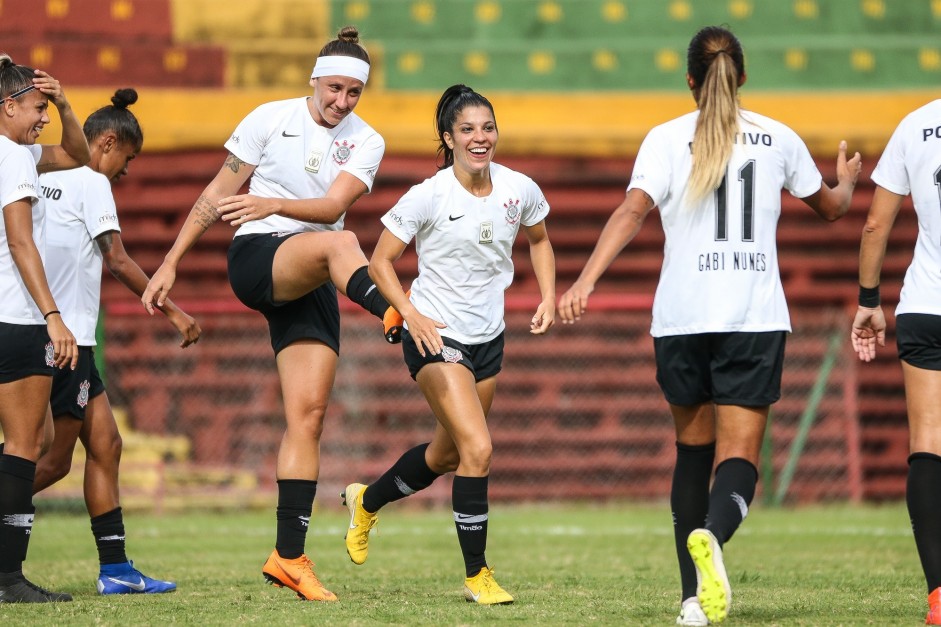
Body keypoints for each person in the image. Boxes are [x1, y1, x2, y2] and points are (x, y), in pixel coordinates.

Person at [557, 26, 861, 625]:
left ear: (690, 80)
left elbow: (631, 211)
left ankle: (691, 601)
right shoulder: (777, 137)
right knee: (740, 459)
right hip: (751, 317)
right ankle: (715, 538)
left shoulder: (665, 139)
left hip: (682, 319)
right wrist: (848, 180)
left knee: (691, 455)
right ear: (742, 77)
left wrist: (585, 281)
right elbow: (832, 208)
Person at [141, 26, 400, 603]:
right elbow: (216, 193)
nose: (342, 102)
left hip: (312, 274)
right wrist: (171, 262)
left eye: (353, 94)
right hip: (259, 257)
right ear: (314, 79)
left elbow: (332, 205)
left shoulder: (367, 140)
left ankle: (289, 557)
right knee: (342, 243)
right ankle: (393, 314)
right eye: (334, 89)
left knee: (307, 418)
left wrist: (274, 199)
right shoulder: (268, 117)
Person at [343, 83, 556, 605]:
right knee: (478, 449)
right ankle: (477, 575)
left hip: (489, 338)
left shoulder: (519, 189)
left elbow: (541, 240)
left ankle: (366, 501)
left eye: (487, 127)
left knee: (445, 455)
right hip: (436, 336)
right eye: (468, 129)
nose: (479, 137)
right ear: (449, 138)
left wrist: (549, 295)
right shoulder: (429, 194)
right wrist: (410, 313)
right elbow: (379, 262)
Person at [33, 88, 200, 595]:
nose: (124, 173)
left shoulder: (41, 175)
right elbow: (119, 259)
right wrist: (172, 311)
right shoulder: (91, 181)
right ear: (107, 142)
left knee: (106, 444)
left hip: (47, 331)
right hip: (68, 341)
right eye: (126, 161)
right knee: (50, 461)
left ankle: (117, 570)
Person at [0, 54, 90, 603]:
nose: (44, 119)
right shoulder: (12, 158)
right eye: (37, 108)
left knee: (45, 440)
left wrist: (64, 102)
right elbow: (20, 241)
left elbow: (79, 154)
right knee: (27, 445)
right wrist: (54, 316)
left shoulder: (18, 152)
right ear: (7, 106)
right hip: (17, 315)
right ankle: (9, 579)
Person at [850, 101, 941, 625]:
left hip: (927, 307)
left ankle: (938, 596)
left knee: (928, 442)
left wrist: (868, 300)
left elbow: (874, 225)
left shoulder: (916, 124)